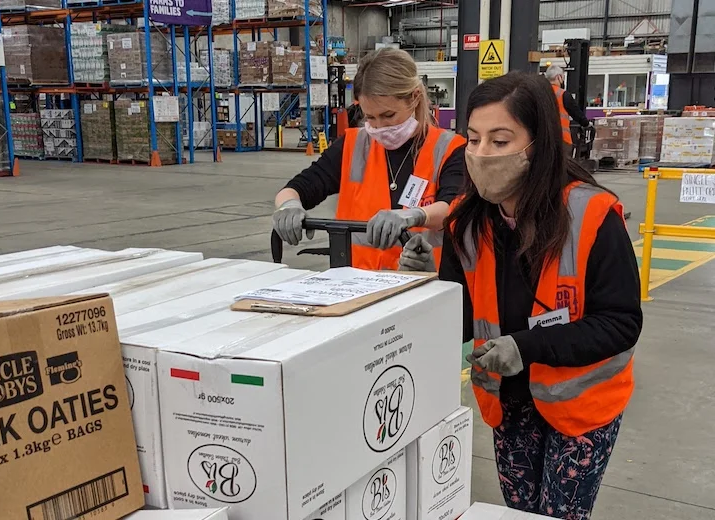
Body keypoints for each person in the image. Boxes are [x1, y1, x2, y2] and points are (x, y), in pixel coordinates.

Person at [399, 72, 642, 520]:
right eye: (473, 139)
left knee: (560, 515)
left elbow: (621, 323)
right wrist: (424, 288)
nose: (481, 154)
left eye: (500, 140)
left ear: (537, 144)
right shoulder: (466, 223)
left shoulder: (592, 216)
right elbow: (464, 317)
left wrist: (525, 347)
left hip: (581, 405)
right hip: (508, 400)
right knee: (520, 512)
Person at [273, 48, 466, 270]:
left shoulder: (449, 149)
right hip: (360, 286)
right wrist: (288, 206)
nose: (379, 127)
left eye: (388, 115)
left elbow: (454, 207)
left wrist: (414, 216)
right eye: (370, 117)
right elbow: (299, 186)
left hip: (424, 285)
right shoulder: (353, 146)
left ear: (414, 97)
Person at [545, 66, 591, 156]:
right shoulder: (563, 94)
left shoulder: (540, 93)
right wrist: (587, 124)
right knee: (563, 166)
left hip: (543, 139)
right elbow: (576, 113)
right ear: (559, 77)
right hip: (562, 139)